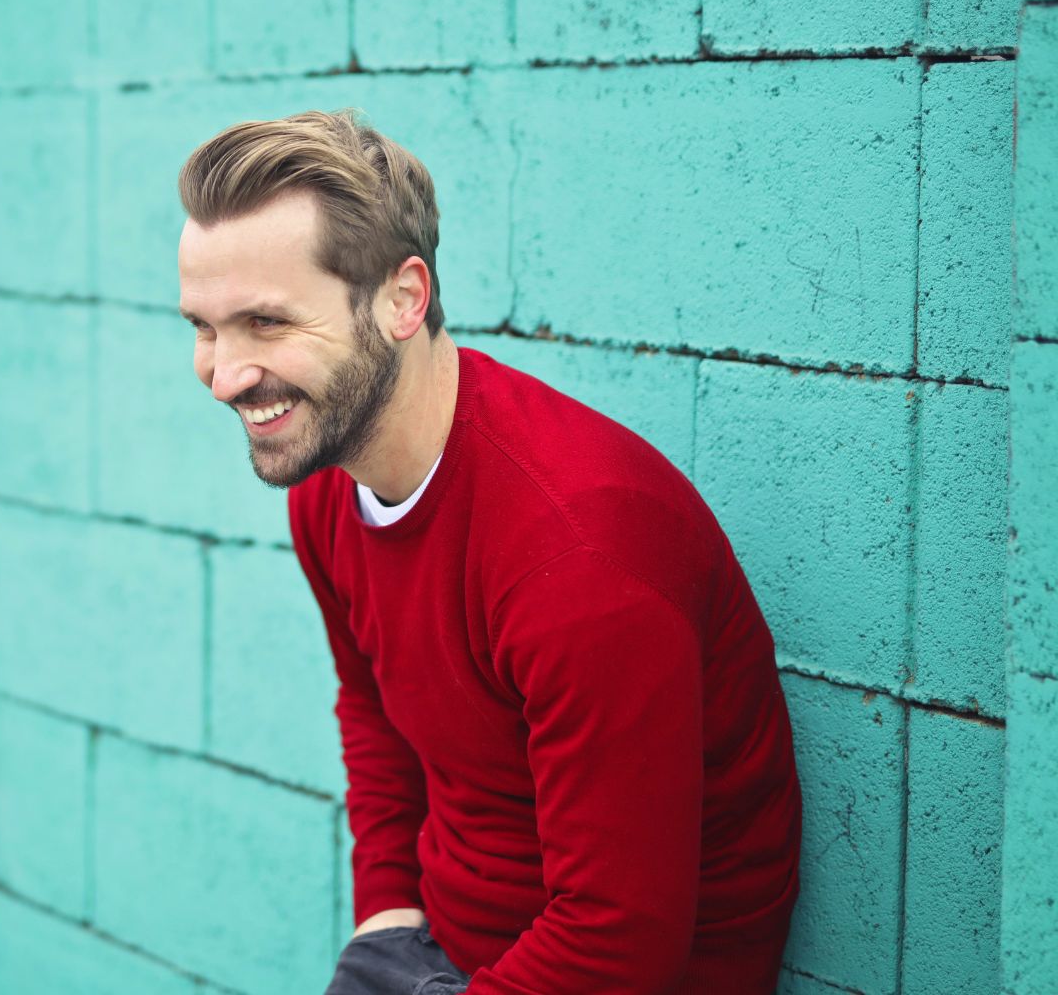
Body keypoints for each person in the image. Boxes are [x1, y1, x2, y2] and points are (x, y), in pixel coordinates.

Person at [174, 109, 803, 995]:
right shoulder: (326, 475)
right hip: (440, 947)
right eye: (204, 327)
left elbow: (620, 938)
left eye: (267, 324)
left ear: (403, 299)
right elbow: (374, 709)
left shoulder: (581, 553)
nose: (223, 374)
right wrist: (386, 914)